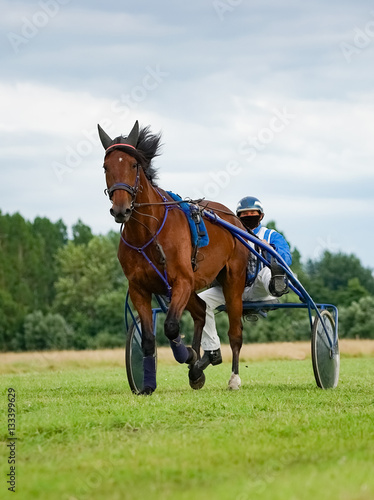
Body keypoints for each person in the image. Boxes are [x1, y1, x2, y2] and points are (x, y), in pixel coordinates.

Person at [198, 196, 292, 367]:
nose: (249, 216)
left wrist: (269, 249)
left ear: (261, 216)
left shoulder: (270, 235)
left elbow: (286, 256)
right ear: (237, 217)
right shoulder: (230, 237)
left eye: (252, 213)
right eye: (244, 214)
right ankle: (212, 348)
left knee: (266, 271)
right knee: (201, 301)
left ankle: (276, 284)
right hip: (232, 290)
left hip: (260, 288)